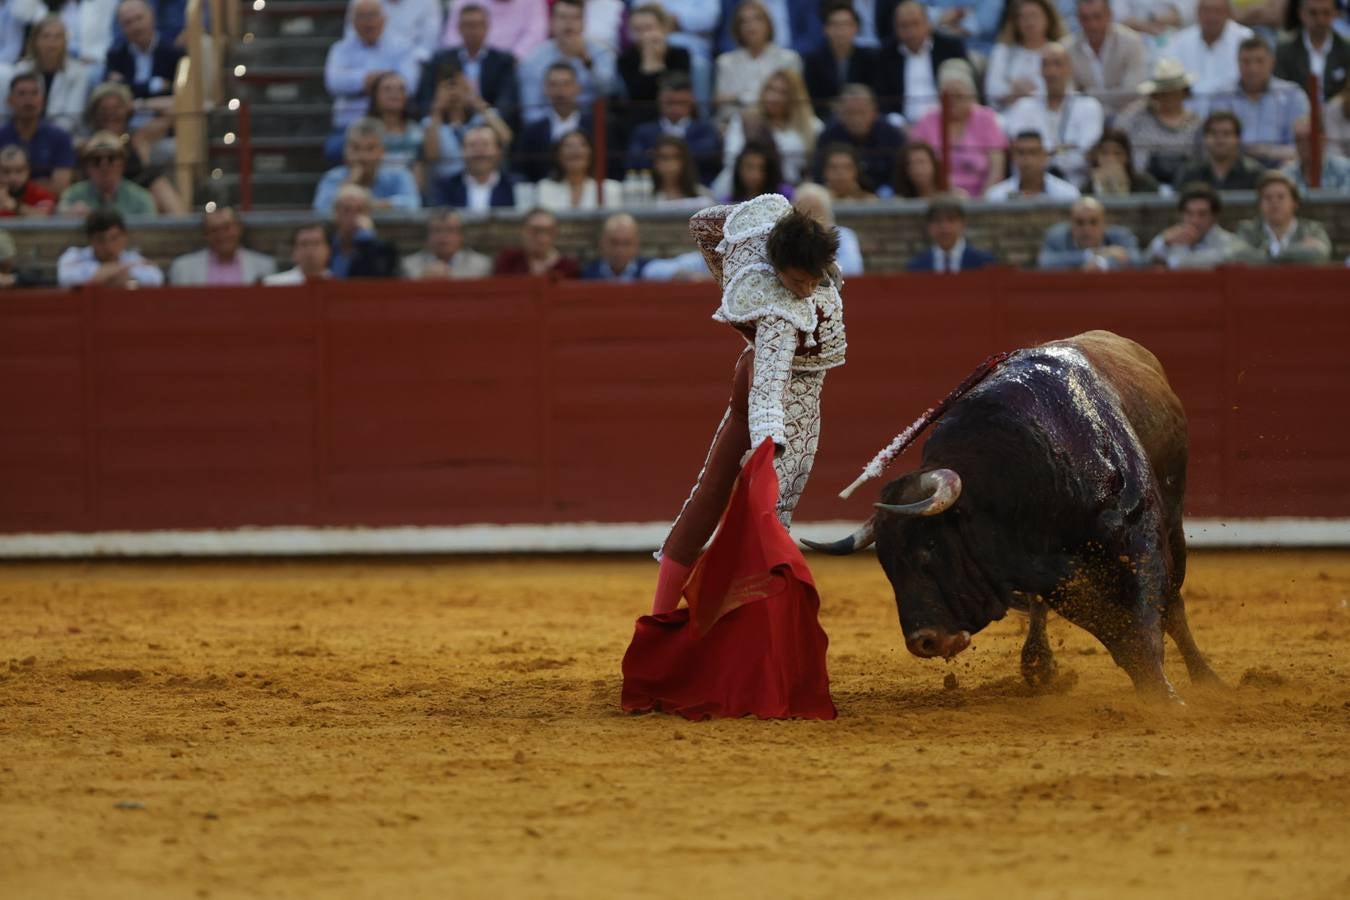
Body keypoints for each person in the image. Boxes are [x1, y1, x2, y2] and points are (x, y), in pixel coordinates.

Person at [624, 194, 844, 723]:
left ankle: (658, 630)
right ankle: (763, 666)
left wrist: (728, 267)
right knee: (772, 521)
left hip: (747, 378)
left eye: (811, 278)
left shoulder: (767, 252)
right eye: (796, 279)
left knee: (707, 497)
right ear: (779, 268)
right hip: (790, 396)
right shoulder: (778, 313)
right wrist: (769, 449)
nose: (805, 289)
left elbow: (704, 222)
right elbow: (770, 388)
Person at [1003, 42, 1103, 186]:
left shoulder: (1088, 106)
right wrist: (1065, 148)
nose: (1051, 71)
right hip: (1031, 185)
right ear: (1040, 70)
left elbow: (1084, 154)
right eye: (1045, 65)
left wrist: (1044, 152)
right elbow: (1021, 150)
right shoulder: (1023, 107)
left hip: (1077, 185)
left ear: (1069, 68)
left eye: (1057, 64)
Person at [78, 80, 182, 214]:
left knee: (158, 184)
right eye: (104, 109)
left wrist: (138, 104)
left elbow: (177, 108)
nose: (110, 114)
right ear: (95, 113)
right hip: (99, 196)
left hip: (140, 197)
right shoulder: (87, 145)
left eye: (117, 108)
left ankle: (181, 224)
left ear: (127, 110)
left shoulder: (139, 138)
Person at [909, 59, 1007, 198]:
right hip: (937, 198)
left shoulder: (986, 118)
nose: (953, 102)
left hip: (982, 198)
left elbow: (997, 167)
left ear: (971, 96)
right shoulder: (926, 121)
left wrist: (982, 202)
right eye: (947, 98)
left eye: (958, 96)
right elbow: (917, 165)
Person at [1206, 36, 1309, 167]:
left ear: (1272, 62)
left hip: (1281, 169)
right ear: (1237, 63)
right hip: (1234, 167)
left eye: (1259, 61)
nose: (1253, 68)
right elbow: (1213, 142)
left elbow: (1303, 147)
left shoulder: (1292, 95)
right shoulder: (1222, 96)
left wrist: (1264, 151)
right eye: (1246, 62)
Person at [324, 0, 421, 134]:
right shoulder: (340, 49)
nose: (368, 22)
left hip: (394, 126)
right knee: (336, 146)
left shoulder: (403, 47)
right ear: (352, 22)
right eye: (362, 17)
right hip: (349, 124)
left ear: (384, 19)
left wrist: (368, 83)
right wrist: (367, 79)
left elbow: (409, 84)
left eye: (372, 15)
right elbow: (334, 82)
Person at [716, 67, 821, 190]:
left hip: (795, 188)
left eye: (783, 92)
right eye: (771, 89)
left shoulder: (813, 126)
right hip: (747, 188)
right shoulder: (746, 120)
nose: (774, 97)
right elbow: (731, 159)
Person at [418, 1, 520, 125]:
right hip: (448, 123)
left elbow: (506, 105)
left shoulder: (503, 62)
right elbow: (424, 100)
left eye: (478, 25)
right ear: (459, 28)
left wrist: (476, 103)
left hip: (489, 127)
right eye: (468, 25)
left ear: (487, 27)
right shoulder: (440, 60)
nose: (473, 30)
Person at [518, 0, 618, 124]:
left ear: (584, 23)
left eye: (575, 17)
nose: (569, 23)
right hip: (548, 127)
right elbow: (531, 110)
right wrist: (558, 127)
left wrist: (588, 62)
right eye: (563, 17)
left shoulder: (601, 53)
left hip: (591, 125)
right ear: (552, 22)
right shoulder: (534, 59)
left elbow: (611, 92)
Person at [874, 0, 970, 125]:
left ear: (928, 23)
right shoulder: (884, 55)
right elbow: (882, 100)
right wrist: (900, 125)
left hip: (947, 124)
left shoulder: (951, 48)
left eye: (916, 24)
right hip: (903, 127)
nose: (911, 32)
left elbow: (967, 91)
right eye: (904, 26)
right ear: (895, 28)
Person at [420, 61, 514, 183]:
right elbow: (431, 156)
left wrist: (475, 99)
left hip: (484, 182)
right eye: (447, 87)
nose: (453, 92)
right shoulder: (430, 123)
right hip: (446, 187)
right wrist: (437, 108)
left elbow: (506, 138)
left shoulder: (482, 117)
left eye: (458, 85)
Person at [1116, 58, 1203, 185]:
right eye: (1163, 92)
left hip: (1187, 182)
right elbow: (1118, 130)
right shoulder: (1138, 118)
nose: (1169, 96)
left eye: (1174, 91)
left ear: (1184, 92)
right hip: (1145, 182)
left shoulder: (1196, 122)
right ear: (1155, 94)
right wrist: (1143, 102)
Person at [624, 72, 722, 184]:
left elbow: (709, 157)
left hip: (698, 186)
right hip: (653, 187)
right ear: (659, 100)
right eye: (670, 103)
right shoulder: (644, 131)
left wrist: (656, 154)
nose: (675, 108)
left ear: (691, 101)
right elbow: (634, 160)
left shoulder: (706, 129)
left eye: (681, 103)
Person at [714, 0, 802, 123]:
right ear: (737, 28)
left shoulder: (789, 59)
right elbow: (724, 108)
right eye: (744, 21)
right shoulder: (725, 62)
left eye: (757, 19)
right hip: (736, 124)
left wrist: (738, 98)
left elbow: (790, 102)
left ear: (768, 24)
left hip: (778, 124)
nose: (751, 25)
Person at [312, 118, 421, 214]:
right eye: (355, 148)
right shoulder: (332, 177)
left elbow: (413, 205)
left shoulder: (399, 175)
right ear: (345, 151)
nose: (362, 156)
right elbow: (321, 210)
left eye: (370, 149)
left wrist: (371, 205)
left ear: (382, 151)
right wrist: (350, 181)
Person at [812, 83, 903, 195]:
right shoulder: (828, 136)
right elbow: (818, 175)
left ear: (874, 112)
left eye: (862, 112)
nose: (856, 119)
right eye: (850, 113)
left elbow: (900, 172)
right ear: (840, 113)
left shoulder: (891, 135)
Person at [512, 62, 594, 182]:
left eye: (566, 84)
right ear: (545, 89)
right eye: (553, 85)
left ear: (578, 88)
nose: (560, 91)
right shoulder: (532, 132)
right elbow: (521, 171)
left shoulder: (597, 127)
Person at [12, 16, 93, 134]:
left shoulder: (78, 71)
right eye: (46, 36)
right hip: (25, 131)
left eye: (57, 37)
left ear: (65, 42)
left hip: (66, 134)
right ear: (35, 41)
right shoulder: (21, 69)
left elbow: (73, 116)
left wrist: (45, 135)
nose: (51, 43)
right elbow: (16, 108)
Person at [1065, 0, 1148, 115]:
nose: (1092, 24)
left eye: (1097, 17)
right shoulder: (1067, 48)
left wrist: (1088, 94)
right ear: (1078, 19)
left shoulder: (1131, 42)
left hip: (1127, 116)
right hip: (1087, 116)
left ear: (1110, 15)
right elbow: (1070, 95)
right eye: (1085, 18)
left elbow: (1132, 92)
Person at [1232, 170, 1332, 263]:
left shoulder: (1312, 229)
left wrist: (1268, 254)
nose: (1274, 203)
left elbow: (1321, 254)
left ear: (1294, 203)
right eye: (1268, 198)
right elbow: (1238, 254)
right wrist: (1294, 251)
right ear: (1259, 204)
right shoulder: (1248, 230)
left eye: (1281, 197)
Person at [0, 73, 75, 195]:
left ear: (43, 100)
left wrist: (12, 183)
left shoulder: (60, 137)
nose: (28, 100)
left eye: (34, 93)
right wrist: (43, 182)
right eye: (22, 94)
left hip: (48, 205)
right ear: (9, 101)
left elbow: (60, 187)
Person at [618, 4, 692, 125]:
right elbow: (637, 96)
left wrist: (658, 62)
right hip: (640, 121)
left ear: (664, 28)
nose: (644, 35)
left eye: (649, 28)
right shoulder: (626, 59)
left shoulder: (680, 54)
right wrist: (649, 62)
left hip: (678, 118)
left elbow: (677, 89)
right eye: (637, 30)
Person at [985, 0, 1065, 109]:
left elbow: (1066, 88)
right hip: (1009, 113)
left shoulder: (1060, 51)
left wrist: (1031, 92)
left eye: (1034, 16)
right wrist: (1013, 92)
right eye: (1023, 17)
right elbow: (992, 91)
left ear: (1048, 18)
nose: (1029, 22)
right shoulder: (1003, 51)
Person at [1167, 0, 1254, 99]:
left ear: (1229, 14)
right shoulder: (1180, 41)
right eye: (1206, 11)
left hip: (1234, 103)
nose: (1212, 16)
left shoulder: (1245, 39)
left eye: (1217, 11)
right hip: (1189, 104)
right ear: (1197, 13)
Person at [168, 207, 277, 285]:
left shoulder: (264, 266)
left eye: (227, 228)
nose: (221, 235)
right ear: (205, 235)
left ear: (239, 228)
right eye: (214, 230)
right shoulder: (183, 268)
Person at [803, 2, 879, 115]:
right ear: (825, 29)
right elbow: (811, 97)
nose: (841, 30)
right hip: (826, 116)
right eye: (835, 25)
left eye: (846, 24)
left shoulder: (869, 58)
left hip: (862, 115)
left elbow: (876, 95)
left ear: (856, 28)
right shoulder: (813, 60)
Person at [57, 130, 156, 216]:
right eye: (96, 160)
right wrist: (69, 213)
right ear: (87, 166)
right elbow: (60, 214)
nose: (104, 165)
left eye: (111, 158)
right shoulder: (73, 195)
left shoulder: (140, 198)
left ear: (122, 164)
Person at [56, 208, 163, 286]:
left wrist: (130, 282)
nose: (108, 246)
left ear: (124, 236)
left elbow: (156, 279)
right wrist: (122, 268)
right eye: (100, 240)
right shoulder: (74, 255)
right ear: (90, 240)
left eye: (114, 238)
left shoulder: (133, 257)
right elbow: (66, 279)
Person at [1145, 182, 1240, 268]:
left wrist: (1171, 261)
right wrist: (1164, 242)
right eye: (1189, 213)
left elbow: (1221, 258)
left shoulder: (1228, 241)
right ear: (1181, 214)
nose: (1195, 220)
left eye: (1202, 214)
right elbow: (1144, 262)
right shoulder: (1171, 238)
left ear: (1214, 216)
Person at [103, 0, 182, 102]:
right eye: (128, 22)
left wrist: (127, 85)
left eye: (139, 18)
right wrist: (153, 85)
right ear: (121, 28)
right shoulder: (115, 56)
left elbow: (177, 94)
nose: (135, 27)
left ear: (152, 16)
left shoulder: (174, 53)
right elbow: (110, 93)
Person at [429, 124, 522, 209]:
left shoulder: (515, 185)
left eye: (485, 145)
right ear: (462, 151)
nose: (479, 151)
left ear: (498, 151)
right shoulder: (446, 187)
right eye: (472, 145)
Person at [1171, 109, 1265, 189]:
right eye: (1213, 133)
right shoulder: (1189, 173)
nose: (1220, 139)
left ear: (1238, 139)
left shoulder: (1254, 174)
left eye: (1226, 134)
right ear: (1205, 138)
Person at [1037, 196, 1139, 269]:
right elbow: (1045, 262)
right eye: (1080, 222)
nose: (1087, 228)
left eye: (1093, 222)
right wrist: (1091, 254)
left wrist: (1101, 263)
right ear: (1071, 225)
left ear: (1103, 224)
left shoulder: (1120, 236)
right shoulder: (1056, 236)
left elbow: (1138, 259)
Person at [1275, 0, 1349, 101]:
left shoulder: (1346, 50)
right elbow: (1280, 91)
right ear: (1301, 14)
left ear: (1335, 14)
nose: (1320, 19)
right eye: (1313, 13)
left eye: (1326, 13)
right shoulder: (1285, 51)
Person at [533, 130, 623, 211]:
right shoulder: (544, 188)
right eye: (568, 146)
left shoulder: (610, 189)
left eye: (582, 145)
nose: (575, 151)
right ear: (557, 156)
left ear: (591, 153)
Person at [905, 194, 997, 271]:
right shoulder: (916, 265)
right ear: (929, 226)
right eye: (937, 221)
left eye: (951, 220)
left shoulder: (984, 262)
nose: (945, 227)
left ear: (963, 223)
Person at [328, 183, 400, 278]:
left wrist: (368, 242)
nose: (353, 216)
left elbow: (379, 280)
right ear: (335, 214)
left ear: (368, 215)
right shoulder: (324, 245)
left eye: (359, 211)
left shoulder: (384, 250)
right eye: (346, 210)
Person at [439, 0, 549, 62]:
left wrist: (514, 59)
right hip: (468, 60)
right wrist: (469, 58)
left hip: (516, 64)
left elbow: (536, 34)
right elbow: (451, 36)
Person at [984, 130, 1082, 200]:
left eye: (1033, 152)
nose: (1027, 158)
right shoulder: (997, 196)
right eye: (1021, 153)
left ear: (1044, 156)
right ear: (1013, 157)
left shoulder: (1067, 194)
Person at [400, 208, 493, 279]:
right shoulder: (409, 265)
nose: (443, 237)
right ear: (427, 237)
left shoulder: (481, 265)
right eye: (437, 231)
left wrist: (449, 277)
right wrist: (423, 279)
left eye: (450, 230)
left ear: (461, 236)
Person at [792, 181, 862, 274]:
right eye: (805, 210)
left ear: (826, 211)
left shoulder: (844, 234)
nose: (811, 216)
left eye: (815, 210)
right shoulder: (789, 237)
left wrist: (815, 268)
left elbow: (853, 267)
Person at [492, 207, 580, 277]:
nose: (542, 238)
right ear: (523, 231)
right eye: (535, 231)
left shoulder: (568, 267)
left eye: (548, 231)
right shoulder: (509, 261)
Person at [348, 0, 442, 64]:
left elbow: (426, 48)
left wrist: (400, 63)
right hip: (364, 65)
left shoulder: (429, 2)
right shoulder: (360, 3)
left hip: (411, 64)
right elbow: (351, 39)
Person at [366, 72, 423, 175]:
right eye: (387, 89)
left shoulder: (417, 131)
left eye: (401, 89)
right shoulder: (364, 129)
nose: (395, 93)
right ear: (375, 95)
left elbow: (420, 170)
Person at [1080, 128, 1161, 194]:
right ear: (1096, 157)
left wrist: (1122, 185)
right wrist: (1099, 186)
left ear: (1127, 157)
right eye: (1105, 153)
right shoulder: (1087, 188)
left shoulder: (1146, 183)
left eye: (1117, 153)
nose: (1111, 159)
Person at [1281, 114, 1350, 189]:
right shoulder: (1286, 175)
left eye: (1309, 139)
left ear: (1323, 140)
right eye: (1298, 140)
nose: (1303, 145)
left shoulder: (1345, 169)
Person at [646, 134, 716, 206]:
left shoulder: (703, 195)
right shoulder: (644, 196)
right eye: (664, 158)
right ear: (655, 162)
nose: (670, 164)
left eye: (676, 157)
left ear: (685, 161)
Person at [580, 212, 653, 280]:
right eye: (614, 243)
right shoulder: (587, 275)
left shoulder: (651, 274)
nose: (620, 251)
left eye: (627, 243)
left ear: (636, 244)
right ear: (602, 243)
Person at [263, 222, 333, 285]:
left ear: (328, 250)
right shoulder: (273, 284)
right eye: (304, 244)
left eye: (316, 243)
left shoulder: (337, 283)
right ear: (294, 251)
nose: (310, 250)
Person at [724, 138, 791, 201]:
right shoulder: (729, 202)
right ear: (739, 169)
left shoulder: (784, 194)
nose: (755, 174)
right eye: (749, 167)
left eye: (761, 168)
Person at [0, 145, 55, 216]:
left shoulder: (42, 195)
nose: (12, 177)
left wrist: (16, 206)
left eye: (19, 170)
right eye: (6, 171)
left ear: (28, 170)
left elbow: (45, 218)